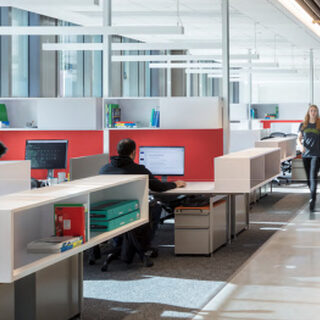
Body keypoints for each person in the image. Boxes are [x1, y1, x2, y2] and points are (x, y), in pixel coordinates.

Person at [97, 138, 186, 268]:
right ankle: (144, 244)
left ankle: (119, 243)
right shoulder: (138, 169)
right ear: (133, 153)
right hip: (132, 213)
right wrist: (175, 184)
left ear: (118, 151)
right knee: (156, 207)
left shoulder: (104, 169)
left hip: (113, 216)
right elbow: (159, 187)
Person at [298, 104, 320, 211]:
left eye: (315, 111)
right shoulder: (303, 125)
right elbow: (299, 138)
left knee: (313, 177)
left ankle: (312, 200)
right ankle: (312, 193)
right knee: (308, 180)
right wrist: (301, 146)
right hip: (305, 155)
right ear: (308, 112)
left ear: (317, 112)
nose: (313, 112)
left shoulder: (319, 124)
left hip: (317, 155)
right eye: (311, 110)